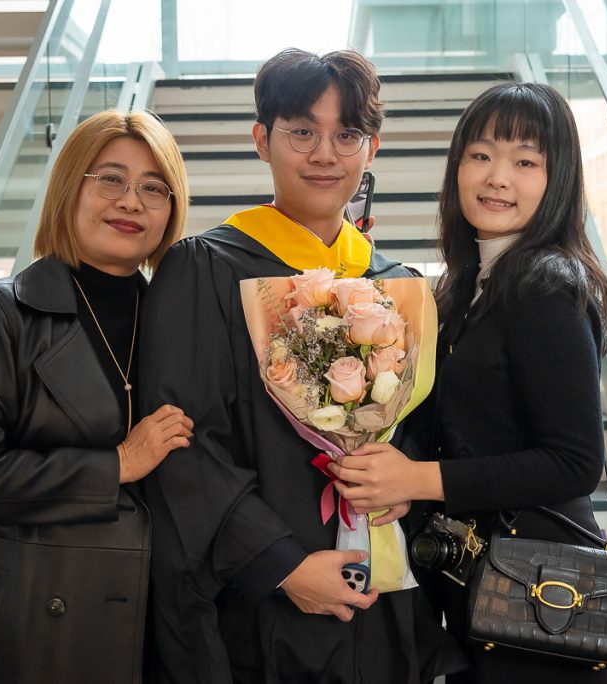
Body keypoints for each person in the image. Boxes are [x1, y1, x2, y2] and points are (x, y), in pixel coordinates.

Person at [137, 49, 464, 683]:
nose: (324, 154)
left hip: (382, 603)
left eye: (347, 134)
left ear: (372, 147)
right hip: (261, 606)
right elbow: (183, 445)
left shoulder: (397, 285)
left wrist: (403, 491)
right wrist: (281, 565)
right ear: (262, 139)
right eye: (301, 131)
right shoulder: (202, 271)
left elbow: (422, 433)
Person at [326, 82, 607, 682]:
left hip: (539, 601)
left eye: (525, 161)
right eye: (481, 155)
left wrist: (420, 478)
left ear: (558, 177)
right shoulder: (465, 287)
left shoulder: (547, 286)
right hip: (480, 596)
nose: (498, 177)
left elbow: (573, 462)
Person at [0, 110, 194, 683]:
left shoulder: (187, 324)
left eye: (153, 188)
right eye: (111, 179)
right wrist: (116, 465)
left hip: (161, 623)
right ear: (70, 187)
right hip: (34, 629)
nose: (131, 201)